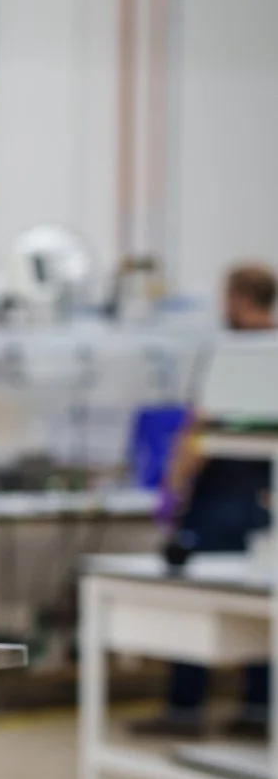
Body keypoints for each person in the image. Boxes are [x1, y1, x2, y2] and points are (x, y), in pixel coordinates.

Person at [132, 261, 274, 741]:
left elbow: (198, 429)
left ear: (237, 298)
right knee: (261, 603)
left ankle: (184, 709)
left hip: (218, 499)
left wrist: (173, 487)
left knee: (189, 600)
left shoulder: (230, 353)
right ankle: (258, 709)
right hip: (264, 498)